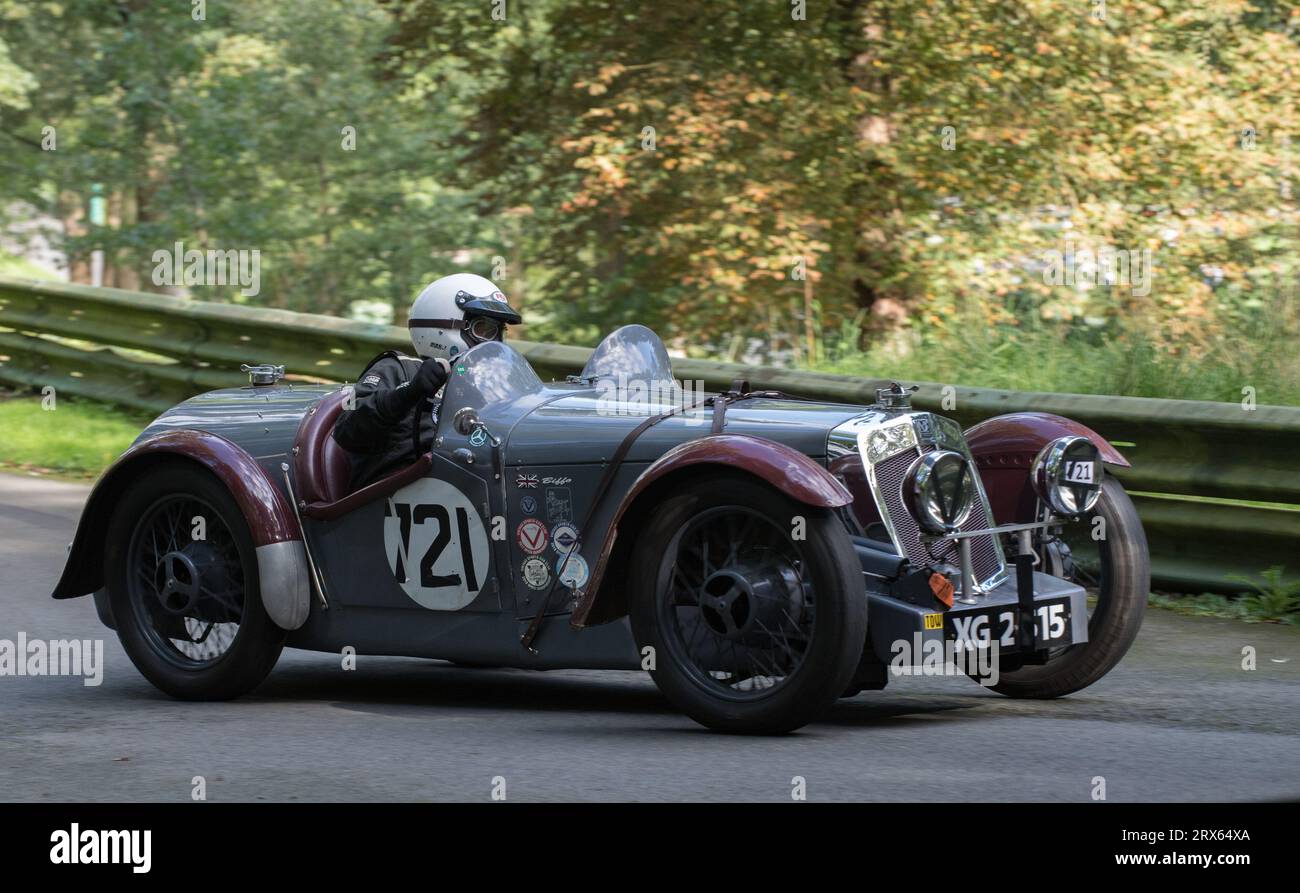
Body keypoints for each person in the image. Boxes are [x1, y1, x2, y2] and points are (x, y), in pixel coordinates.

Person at [332, 273, 521, 488]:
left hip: (475, 492)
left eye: (498, 333)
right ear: (446, 326)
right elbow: (347, 429)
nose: (494, 342)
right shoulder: (395, 368)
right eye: (484, 330)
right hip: (394, 499)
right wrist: (408, 392)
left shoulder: (487, 385)